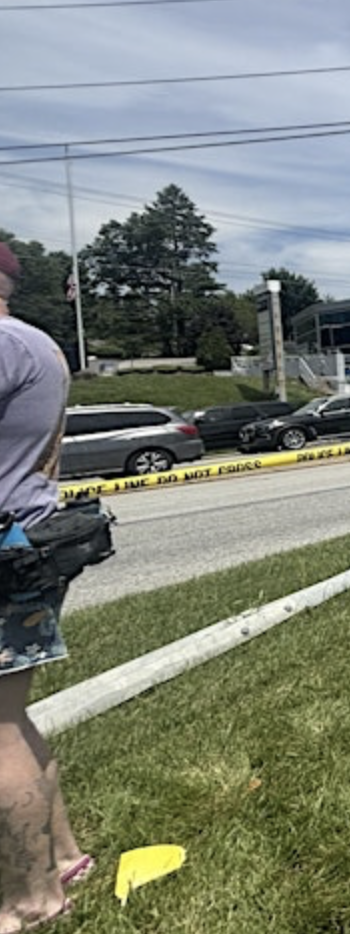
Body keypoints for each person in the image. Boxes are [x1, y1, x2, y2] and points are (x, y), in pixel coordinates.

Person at [0, 240, 88, 931]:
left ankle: (30, 900)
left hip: (5, 548)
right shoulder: (37, 343)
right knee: (11, 718)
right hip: (26, 544)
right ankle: (62, 859)